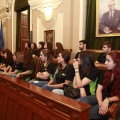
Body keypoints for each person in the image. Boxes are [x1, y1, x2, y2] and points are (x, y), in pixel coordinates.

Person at [89, 51, 120, 119]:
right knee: (80, 103)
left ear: (116, 62)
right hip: (101, 97)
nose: (105, 63)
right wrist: (100, 104)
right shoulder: (105, 72)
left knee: (90, 114)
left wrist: (107, 100)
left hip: (114, 101)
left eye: (108, 61)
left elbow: (118, 96)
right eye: (106, 60)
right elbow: (99, 90)